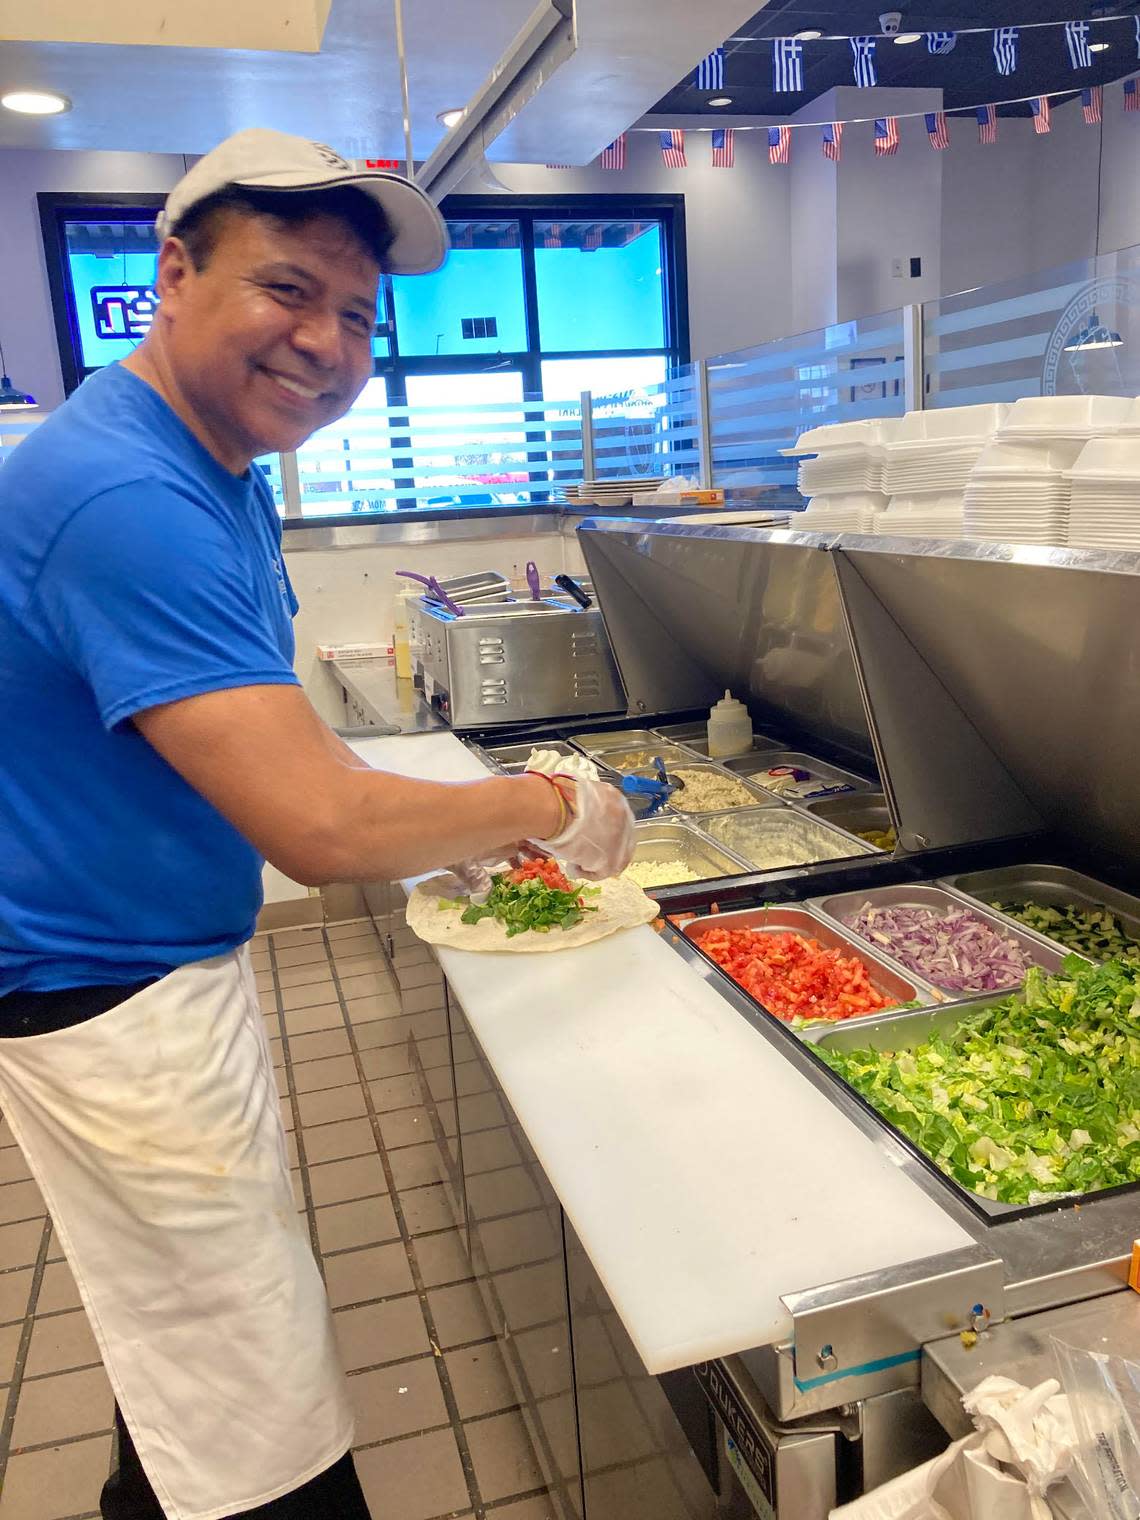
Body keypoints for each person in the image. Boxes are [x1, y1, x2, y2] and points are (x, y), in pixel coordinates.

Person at [0, 129, 634, 1520]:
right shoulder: (127, 494)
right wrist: (550, 804)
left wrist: (446, 822)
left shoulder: (202, 461)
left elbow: (258, 746)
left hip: (141, 964)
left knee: (183, 1355)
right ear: (172, 273)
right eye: (287, 289)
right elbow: (322, 829)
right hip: (111, 1001)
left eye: (356, 313)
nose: (330, 344)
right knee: (260, 1431)